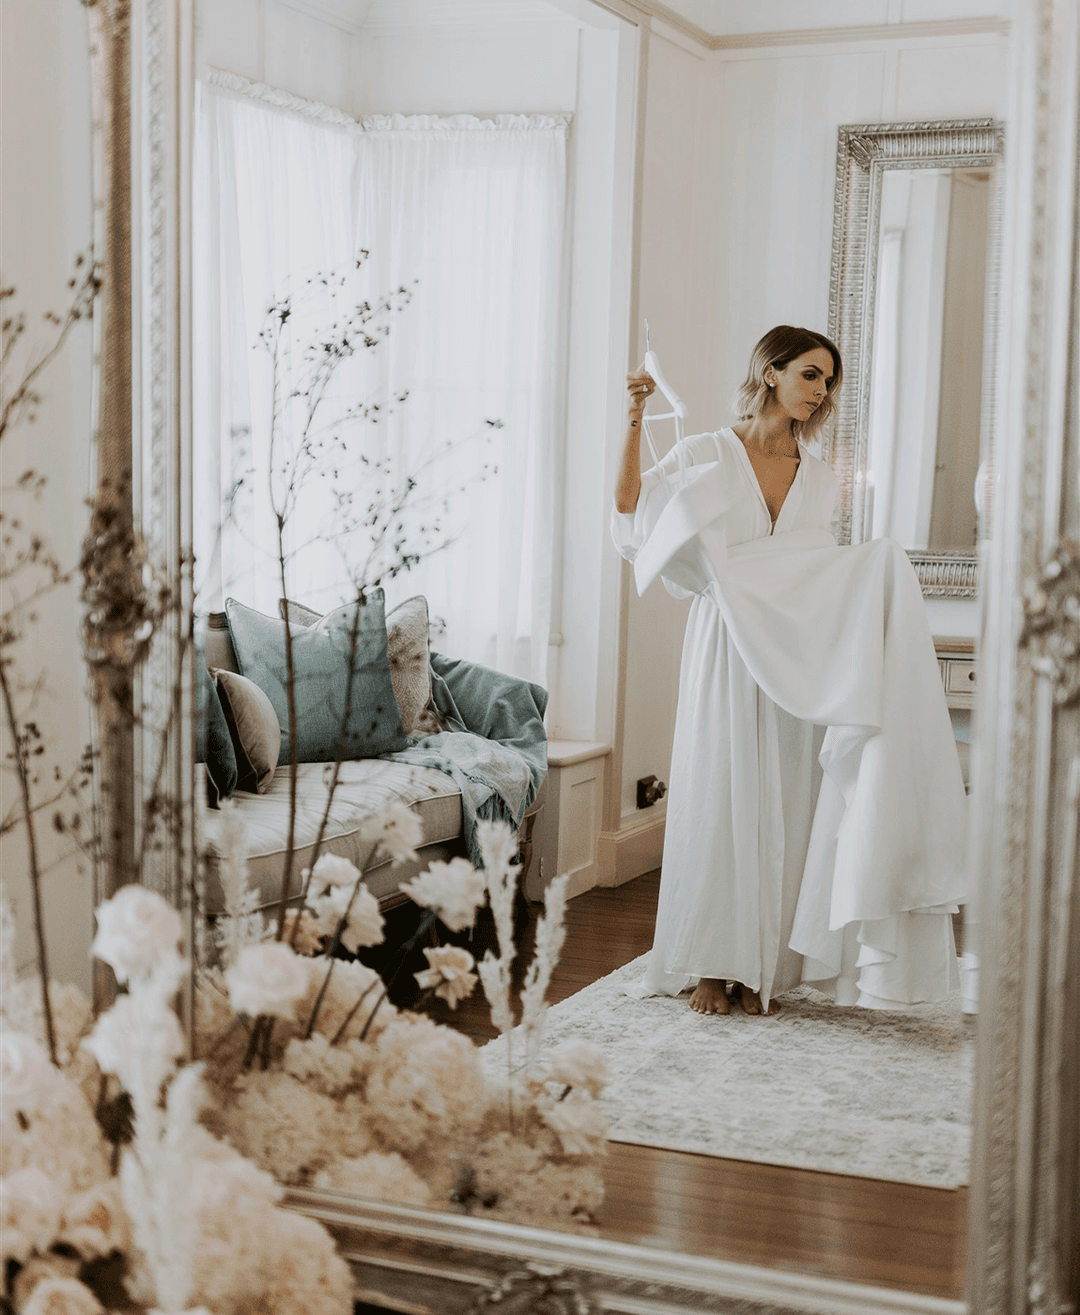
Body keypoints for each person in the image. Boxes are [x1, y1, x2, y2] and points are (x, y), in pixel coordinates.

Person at [612, 325, 967, 1017]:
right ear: (770, 373)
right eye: (811, 374)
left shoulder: (820, 477)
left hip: (799, 659)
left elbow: (816, 574)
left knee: (786, 798)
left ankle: (766, 962)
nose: (822, 391)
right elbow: (630, 510)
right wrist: (635, 417)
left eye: (828, 380)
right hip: (726, 648)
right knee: (722, 791)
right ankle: (714, 961)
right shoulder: (708, 452)